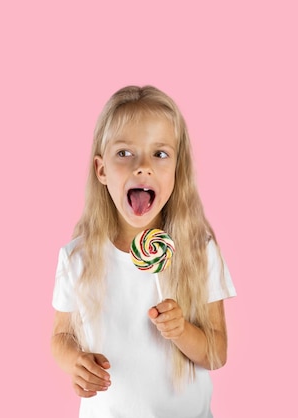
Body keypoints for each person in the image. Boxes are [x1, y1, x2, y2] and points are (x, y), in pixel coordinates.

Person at [51, 85, 236, 418]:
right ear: (101, 169)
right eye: (125, 153)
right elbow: (61, 335)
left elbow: (217, 354)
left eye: (160, 154)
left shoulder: (197, 251)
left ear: (177, 172)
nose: (142, 167)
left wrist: (182, 331)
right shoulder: (78, 257)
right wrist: (74, 362)